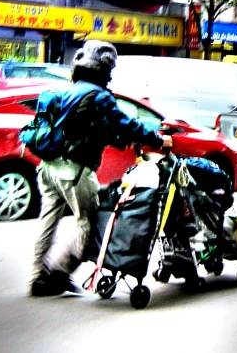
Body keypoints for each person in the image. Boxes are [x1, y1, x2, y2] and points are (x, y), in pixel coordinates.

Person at [30, 40, 173, 297]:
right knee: (90, 222)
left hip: (47, 167)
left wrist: (119, 140)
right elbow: (125, 124)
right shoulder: (98, 96)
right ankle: (57, 274)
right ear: (104, 70)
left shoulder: (69, 91)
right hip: (74, 171)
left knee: (47, 221)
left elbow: (94, 130)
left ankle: (36, 277)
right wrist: (157, 139)